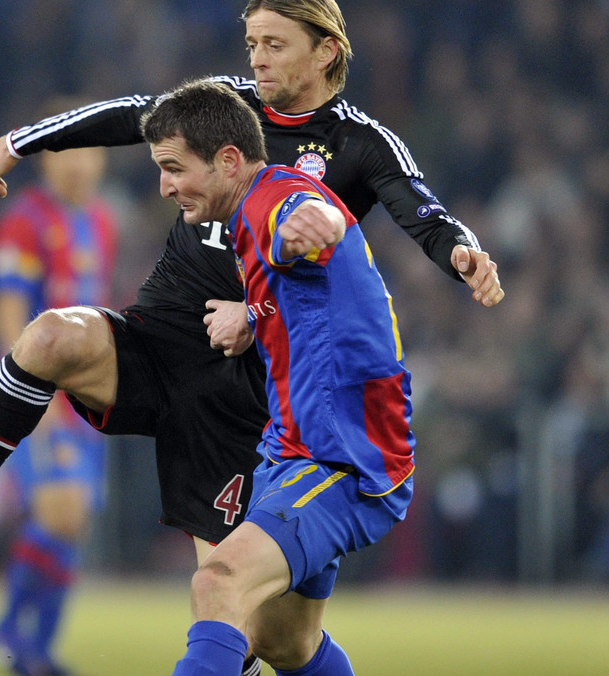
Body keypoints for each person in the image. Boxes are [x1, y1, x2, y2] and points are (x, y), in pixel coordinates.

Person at [0, 1, 503, 673]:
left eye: (275, 44)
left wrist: (461, 253)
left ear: (325, 53)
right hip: (165, 335)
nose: (256, 57)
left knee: (272, 635)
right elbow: (127, 113)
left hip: (249, 394)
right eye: (252, 41)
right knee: (51, 337)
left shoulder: (358, 147)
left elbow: (419, 211)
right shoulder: (221, 107)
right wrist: (19, 142)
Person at [144, 77, 412, 676]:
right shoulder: (247, 216)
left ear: (229, 160)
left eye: (173, 167)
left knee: (217, 583)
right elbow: (302, 291)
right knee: (283, 642)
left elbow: (300, 221)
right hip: (291, 448)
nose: (164, 186)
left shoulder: (274, 200)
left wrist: (312, 223)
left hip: (343, 456)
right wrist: (255, 313)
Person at [0, 100, 119, 675]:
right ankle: (11, 629)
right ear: (41, 159)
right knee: (60, 509)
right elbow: (8, 313)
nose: (78, 165)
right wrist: (28, 391)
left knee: (76, 515)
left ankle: (38, 649)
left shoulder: (102, 222)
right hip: (42, 388)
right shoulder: (25, 221)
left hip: (89, 389)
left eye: (88, 151)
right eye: (64, 151)